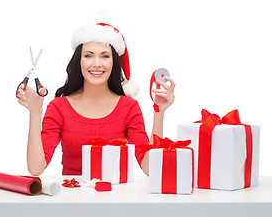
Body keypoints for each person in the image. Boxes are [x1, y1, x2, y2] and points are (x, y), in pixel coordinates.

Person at [17, 23, 175, 176]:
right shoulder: (59, 107)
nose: (97, 64)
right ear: (79, 61)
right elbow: (35, 168)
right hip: (72, 197)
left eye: (105, 56)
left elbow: (150, 168)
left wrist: (159, 113)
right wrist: (35, 112)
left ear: (114, 62)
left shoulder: (129, 107)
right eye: (88, 56)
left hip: (115, 197)